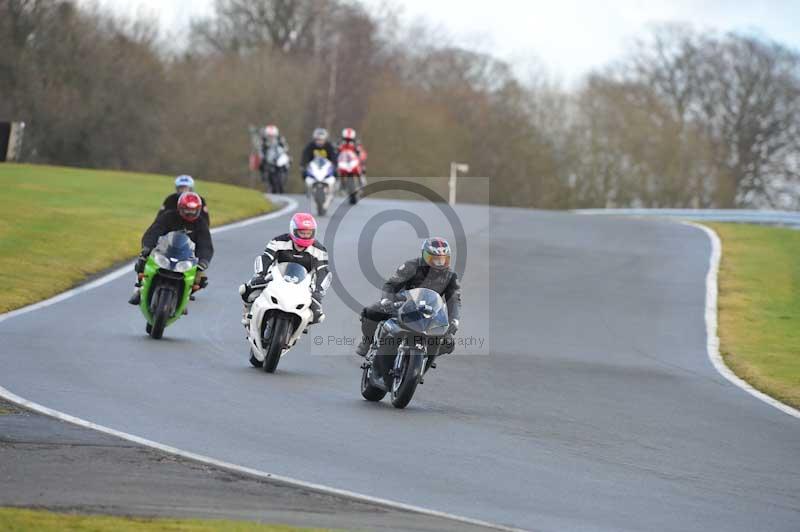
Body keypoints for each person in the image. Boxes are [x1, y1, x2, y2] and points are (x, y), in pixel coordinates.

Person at [356, 237, 461, 357]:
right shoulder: (411, 266)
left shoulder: (450, 276)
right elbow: (391, 285)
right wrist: (386, 300)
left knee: (448, 343)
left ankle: (424, 363)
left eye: (443, 260)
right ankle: (367, 341)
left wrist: (455, 320)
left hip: (430, 312)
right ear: (424, 256)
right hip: (403, 305)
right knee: (370, 312)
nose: (439, 263)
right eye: (434, 259)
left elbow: (454, 299)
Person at [239, 212, 330, 325]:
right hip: (276, 278)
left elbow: (324, 272)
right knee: (246, 289)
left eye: (308, 233)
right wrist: (260, 275)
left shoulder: (320, 250)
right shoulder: (279, 241)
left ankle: (298, 327)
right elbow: (266, 257)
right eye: (302, 232)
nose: (305, 236)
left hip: (304, 285)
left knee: (318, 316)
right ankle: (247, 311)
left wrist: (318, 291)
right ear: (293, 230)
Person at [128, 192, 214, 305]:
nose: (190, 213)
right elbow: (153, 232)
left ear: (198, 210)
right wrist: (147, 247)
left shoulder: (201, 223)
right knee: (143, 261)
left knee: (200, 280)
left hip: (188, 258)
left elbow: (205, 244)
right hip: (164, 252)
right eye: (187, 209)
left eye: (193, 210)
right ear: (180, 207)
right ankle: (138, 290)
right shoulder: (169, 216)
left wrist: (203, 261)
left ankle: (185, 296)